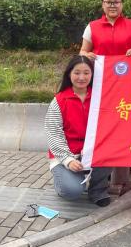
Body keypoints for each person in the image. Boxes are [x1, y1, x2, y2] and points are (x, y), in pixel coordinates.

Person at [79, 0, 131, 189]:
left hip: (127, 86)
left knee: (125, 124)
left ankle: (125, 165)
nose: (112, 5)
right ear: (102, 4)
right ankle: (103, 167)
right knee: (104, 125)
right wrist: (88, 56)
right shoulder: (92, 27)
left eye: (116, 2)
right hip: (101, 86)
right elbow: (82, 51)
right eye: (108, 2)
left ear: (122, 4)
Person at [44, 55, 112, 207]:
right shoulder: (59, 101)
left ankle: (98, 190)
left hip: (93, 152)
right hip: (67, 155)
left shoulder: (100, 97)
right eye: (77, 72)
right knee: (72, 191)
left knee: (109, 151)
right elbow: (53, 134)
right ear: (69, 74)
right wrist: (68, 160)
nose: (82, 77)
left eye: (86, 73)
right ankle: (62, 181)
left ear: (92, 75)